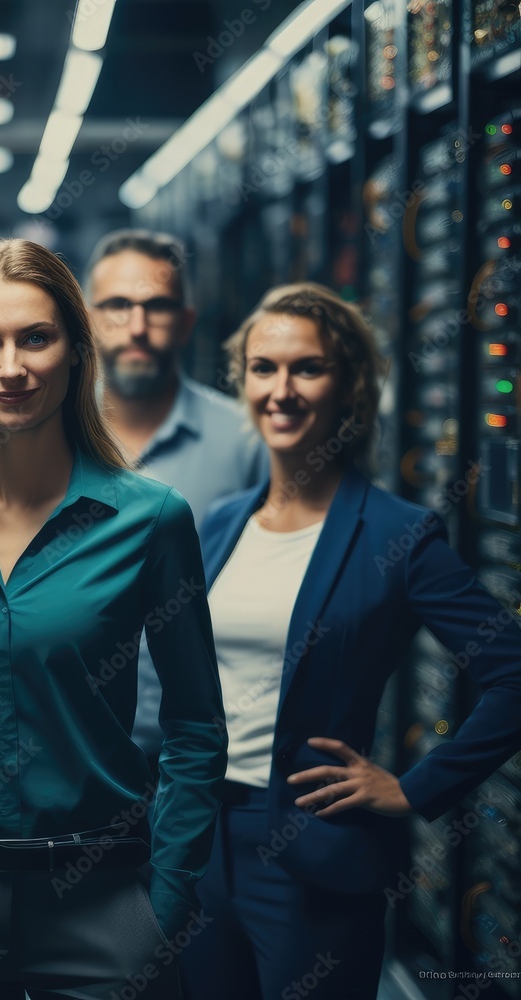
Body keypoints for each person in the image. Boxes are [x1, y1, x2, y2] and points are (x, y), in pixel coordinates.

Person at [0, 238, 227, 999]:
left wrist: (167, 897)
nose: (10, 367)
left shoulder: (151, 520)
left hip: (100, 896)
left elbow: (195, 726)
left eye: (36, 338)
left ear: (77, 351)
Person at [181, 282, 521, 1000]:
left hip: (313, 849)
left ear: (351, 388)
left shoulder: (396, 535)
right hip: (199, 846)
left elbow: (511, 674)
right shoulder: (219, 521)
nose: (282, 389)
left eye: (308, 368)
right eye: (263, 368)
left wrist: (414, 788)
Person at [85, 229, 266, 766]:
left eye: (156, 307)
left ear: (186, 321)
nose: (137, 327)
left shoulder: (247, 445)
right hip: (73, 765)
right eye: (117, 306)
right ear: (88, 319)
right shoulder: (45, 439)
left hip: (209, 764)